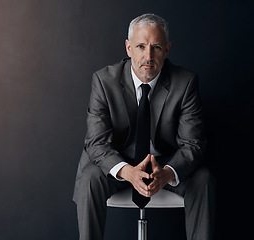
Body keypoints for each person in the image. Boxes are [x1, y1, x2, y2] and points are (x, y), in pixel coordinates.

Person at [73, 13, 216, 240]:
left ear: (167, 50)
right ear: (128, 48)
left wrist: (166, 174)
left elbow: (193, 144)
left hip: (165, 164)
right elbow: (96, 142)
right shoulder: (103, 81)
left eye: (156, 47)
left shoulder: (185, 83)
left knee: (203, 179)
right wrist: (128, 172)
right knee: (90, 177)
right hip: (120, 162)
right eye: (140, 46)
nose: (148, 56)